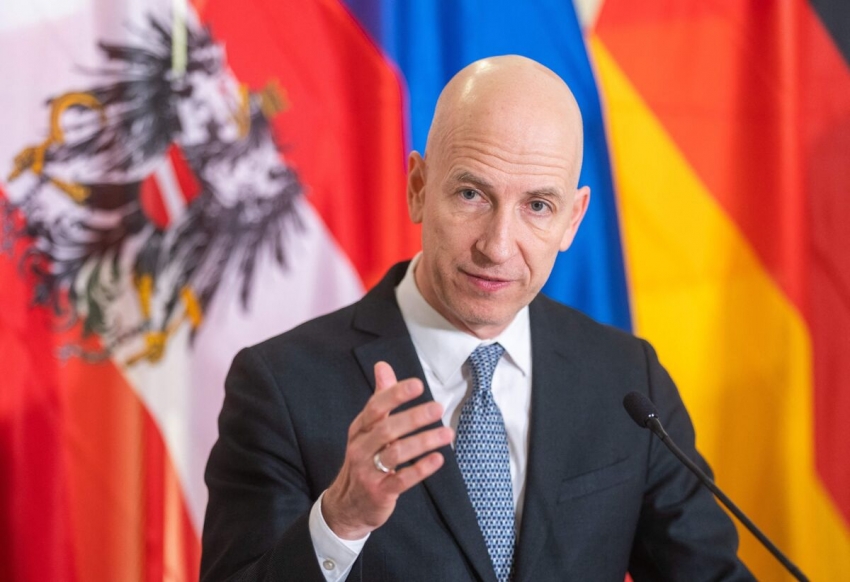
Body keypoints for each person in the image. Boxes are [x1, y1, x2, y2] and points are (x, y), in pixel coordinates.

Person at [201, 55, 754, 581]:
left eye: (537, 206)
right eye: (472, 194)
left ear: (572, 219)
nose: (497, 246)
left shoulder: (628, 380)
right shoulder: (281, 386)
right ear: (418, 189)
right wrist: (340, 521)